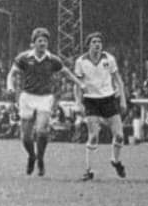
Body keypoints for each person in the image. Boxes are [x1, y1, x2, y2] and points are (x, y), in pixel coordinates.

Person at [7, 27, 92, 177]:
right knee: (26, 137)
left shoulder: (52, 59)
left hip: (45, 97)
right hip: (27, 96)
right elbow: (12, 73)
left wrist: (80, 84)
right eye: (39, 40)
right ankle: (32, 156)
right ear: (33, 43)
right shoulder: (24, 58)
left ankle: (40, 158)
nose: (43, 43)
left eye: (45, 41)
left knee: (41, 130)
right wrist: (10, 85)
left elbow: (66, 73)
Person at [73, 31, 128, 181]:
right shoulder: (81, 61)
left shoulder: (109, 59)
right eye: (94, 42)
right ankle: (89, 170)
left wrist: (122, 100)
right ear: (88, 45)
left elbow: (118, 81)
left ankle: (115, 161)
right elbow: (77, 85)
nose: (97, 44)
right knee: (93, 136)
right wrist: (78, 103)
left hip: (109, 99)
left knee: (119, 135)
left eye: (99, 42)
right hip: (91, 100)